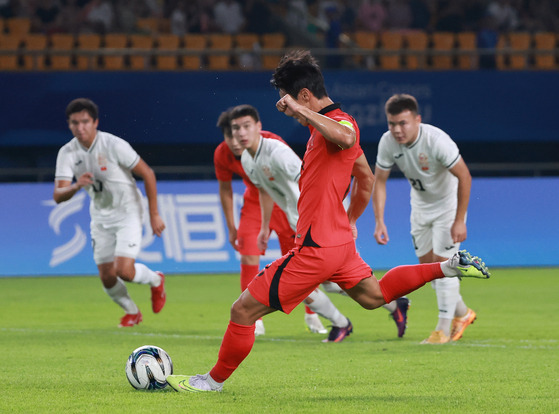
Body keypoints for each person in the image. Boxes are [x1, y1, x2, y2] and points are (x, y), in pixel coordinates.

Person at [167, 50, 490, 393]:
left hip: (315, 247)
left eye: (287, 101)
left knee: (243, 310)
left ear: (304, 96)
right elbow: (365, 179)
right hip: (338, 244)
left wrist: (303, 111)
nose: (286, 109)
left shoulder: (340, 122)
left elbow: (348, 136)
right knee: (374, 296)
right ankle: (448, 266)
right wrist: (349, 219)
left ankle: (210, 382)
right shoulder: (324, 131)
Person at [232, 103, 410, 340]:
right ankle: (387, 307)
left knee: (309, 285)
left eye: (246, 126)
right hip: (299, 226)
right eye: (236, 129)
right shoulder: (247, 160)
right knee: (329, 283)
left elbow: (313, 180)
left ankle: (347, 321)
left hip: (319, 226)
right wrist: (265, 227)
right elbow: (265, 191)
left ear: (259, 127)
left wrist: (328, 216)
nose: (241, 133)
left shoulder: (277, 153)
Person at [372, 93, 477, 344]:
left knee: (444, 265)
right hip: (420, 207)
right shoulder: (387, 142)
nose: (397, 130)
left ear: (417, 119)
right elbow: (380, 182)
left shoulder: (437, 141)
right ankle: (462, 313)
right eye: (392, 123)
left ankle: (441, 330)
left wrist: (459, 219)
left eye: (403, 123)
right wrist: (379, 220)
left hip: (447, 207)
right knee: (428, 270)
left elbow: (464, 177)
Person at [53, 98, 166, 328]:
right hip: (101, 216)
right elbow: (58, 195)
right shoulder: (67, 153)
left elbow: (148, 173)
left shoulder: (114, 145)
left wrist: (154, 214)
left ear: (95, 122)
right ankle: (132, 312)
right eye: (75, 123)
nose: (80, 127)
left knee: (124, 270)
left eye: (85, 122)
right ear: (69, 125)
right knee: (106, 275)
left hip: (128, 212)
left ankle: (156, 280)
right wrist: (76, 186)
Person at [214, 109, 328, 336]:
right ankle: (253, 319)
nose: (237, 142)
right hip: (255, 203)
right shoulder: (222, 154)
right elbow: (225, 190)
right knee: (248, 254)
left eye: (240, 133)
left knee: (300, 262)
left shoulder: (271, 143)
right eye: (231, 136)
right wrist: (231, 226)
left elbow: (298, 176)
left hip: (285, 203)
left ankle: (312, 314)